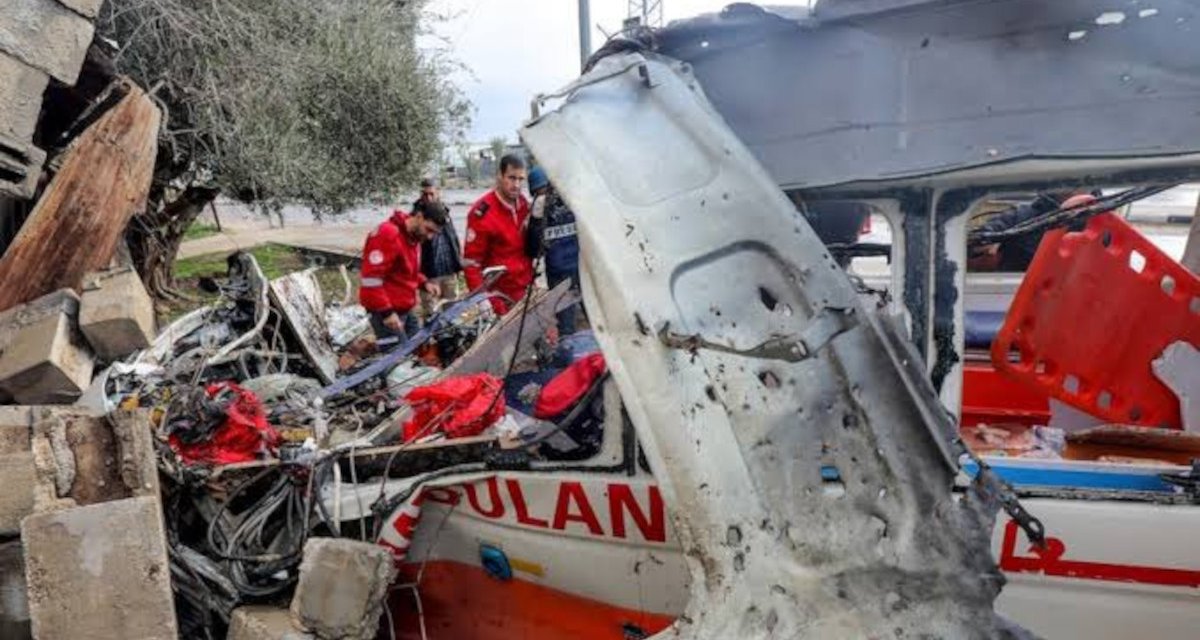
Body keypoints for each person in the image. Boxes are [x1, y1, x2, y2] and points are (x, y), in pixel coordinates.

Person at [359, 199, 449, 348]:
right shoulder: (388, 234)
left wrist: (424, 283)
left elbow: (405, 271)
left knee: (418, 347)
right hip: (385, 310)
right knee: (395, 356)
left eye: (434, 233)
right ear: (419, 217)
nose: (430, 236)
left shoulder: (413, 237)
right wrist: (387, 313)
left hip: (405, 308)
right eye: (429, 230)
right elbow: (371, 279)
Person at [463, 154, 533, 315]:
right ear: (499, 176)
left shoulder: (523, 204)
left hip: (524, 289)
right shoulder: (482, 213)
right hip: (498, 296)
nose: (516, 185)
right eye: (511, 178)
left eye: (521, 179)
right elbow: (471, 263)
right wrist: (481, 298)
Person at [525, 166, 581, 336]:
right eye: (539, 193)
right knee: (567, 329)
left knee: (597, 321)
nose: (546, 196)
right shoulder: (538, 214)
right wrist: (536, 221)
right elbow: (533, 251)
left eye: (546, 190)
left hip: (583, 272)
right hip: (559, 279)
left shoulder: (573, 205)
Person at [414, 178, 463, 318]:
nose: (428, 198)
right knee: (431, 313)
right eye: (425, 194)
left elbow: (453, 238)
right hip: (429, 274)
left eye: (431, 194)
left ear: (438, 193)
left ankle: (452, 331)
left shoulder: (444, 212)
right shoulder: (417, 216)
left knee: (452, 311)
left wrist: (457, 263)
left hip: (448, 270)